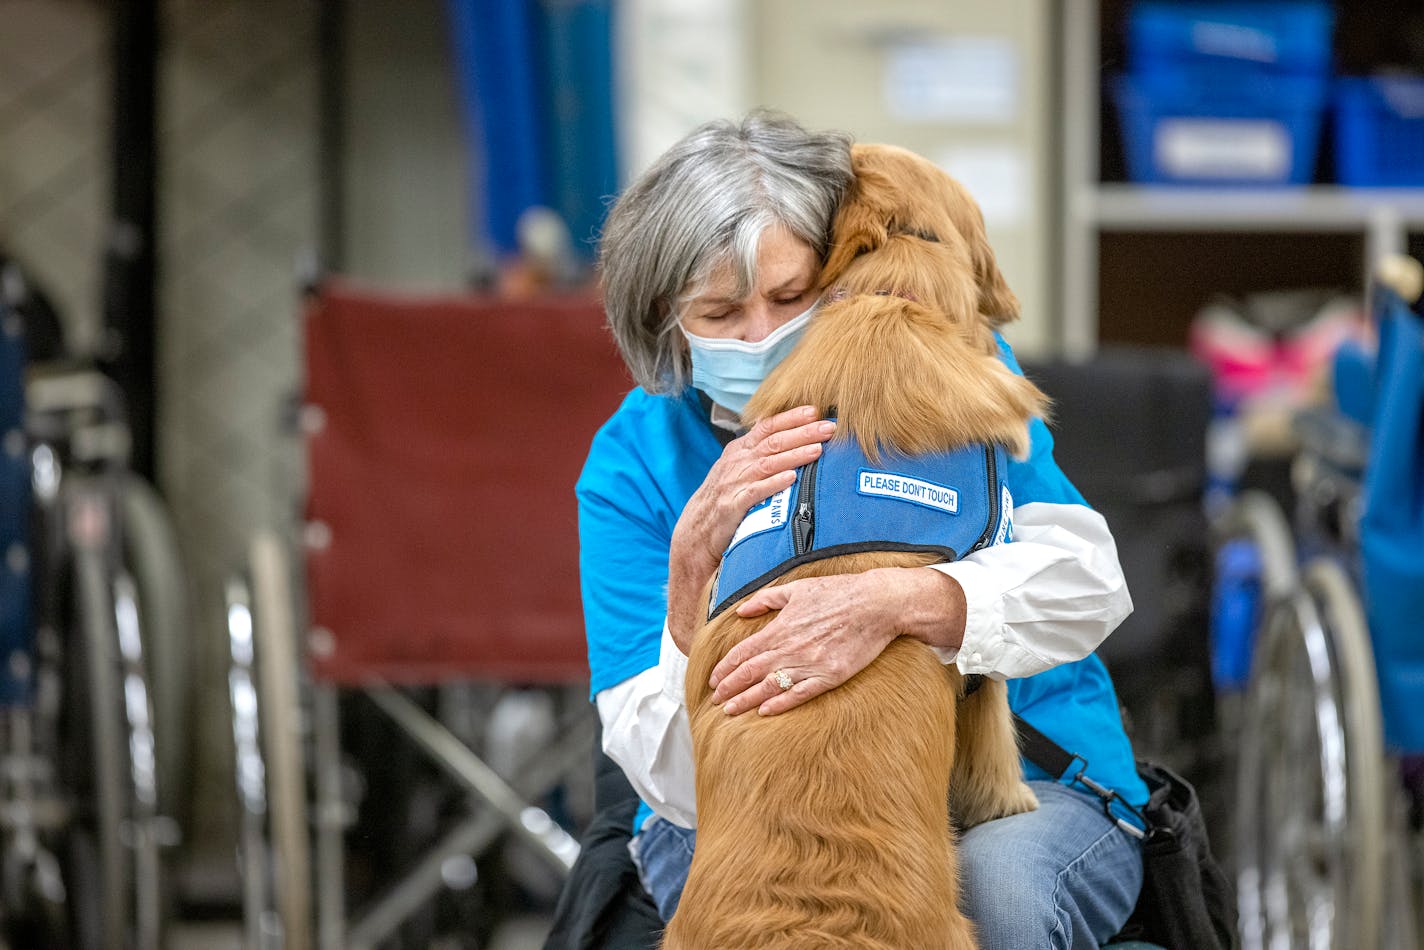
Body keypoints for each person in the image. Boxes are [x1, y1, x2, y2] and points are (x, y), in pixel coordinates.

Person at [575, 110, 1147, 950]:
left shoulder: (947, 368)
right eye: (721, 311)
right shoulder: (634, 464)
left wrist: (905, 601)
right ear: (664, 316)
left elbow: (1091, 583)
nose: (762, 335)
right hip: (742, 806)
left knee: (1004, 904)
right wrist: (692, 572)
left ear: (841, 269)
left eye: (789, 296)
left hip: (1025, 777)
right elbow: (670, 779)